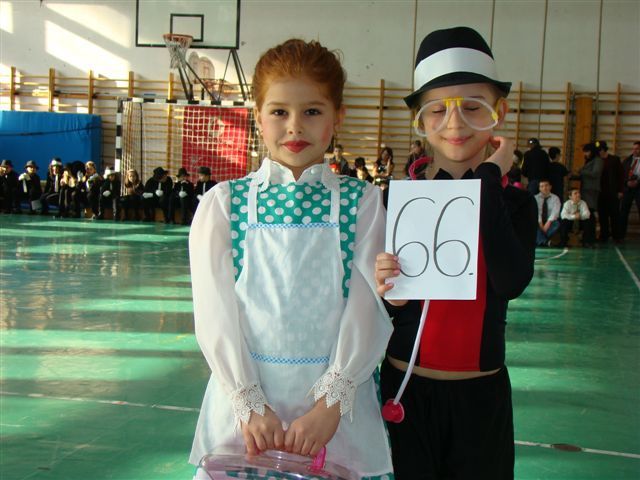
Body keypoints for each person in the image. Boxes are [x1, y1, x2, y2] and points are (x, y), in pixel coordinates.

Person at [188, 38, 393, 480]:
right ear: (258, 116)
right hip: (245, 419)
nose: (295, 127)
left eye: (312, 111)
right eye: (279, 111)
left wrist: (330, 404)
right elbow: (214, 315)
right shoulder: (224, 204)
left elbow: (367, 308)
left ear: (337, 117)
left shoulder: (362, 202)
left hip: (335, 418)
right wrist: (248, 403)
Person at [374, 27, 536, 480]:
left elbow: (511, 281)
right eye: (438, 110)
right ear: (420, 120)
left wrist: (488, 181)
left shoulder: (515, 204)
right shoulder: (396, 199)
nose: (455, 123)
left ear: (499, 112)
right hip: (405, 391)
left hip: (481, 396)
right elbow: (379, 308)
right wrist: (388, 290)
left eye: (472, 107)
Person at [596, 141, 624, 243]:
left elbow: (621, 176)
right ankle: (604, 235)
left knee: (615, 215)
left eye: (599, 150)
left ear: (603, 150)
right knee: (602, 215)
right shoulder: (596, 160)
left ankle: (617, 236)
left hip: (613, 192)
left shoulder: (614, 160)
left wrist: (620, 190)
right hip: (600, 192)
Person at [578, 142, 603, 242]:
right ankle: (587, 235)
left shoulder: (598, 160)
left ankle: (590, 236)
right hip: (586, 189)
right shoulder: (590, 161)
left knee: (590, 212)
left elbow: (595, 173)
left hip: (592, 190)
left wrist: (581, 171)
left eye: (587, 151)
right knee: (586, 212)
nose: (585, 154)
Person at [620, 140, 640, 240]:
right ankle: (620, 235)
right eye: (634, 148)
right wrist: (626, 182)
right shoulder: (627, 160)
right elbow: (621, 174)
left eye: (637, 149)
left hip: (639, 189)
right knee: (623, 211)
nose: (634, 151)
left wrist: (638, 182)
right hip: (628, 189)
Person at [534, 179, 561, 247]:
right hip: (538, 221)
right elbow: (536, 212)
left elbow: (555, 212)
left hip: (550, 221)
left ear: (550, 187)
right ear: (539, 188)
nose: (544, 188)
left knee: (556, 224)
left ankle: (540, 239)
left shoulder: (555, 198)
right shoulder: (535, 198)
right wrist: (540, 223)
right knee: (533, 224)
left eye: (546, 185)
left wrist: (548, 223)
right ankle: (545, 242)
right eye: (542, 186)